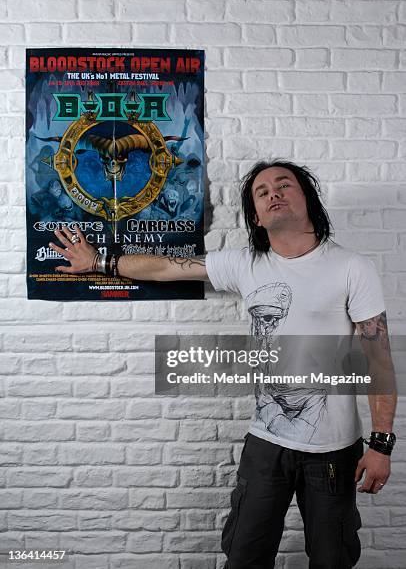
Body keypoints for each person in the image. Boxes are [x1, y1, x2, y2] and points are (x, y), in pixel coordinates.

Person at [49, 159, 397, 569]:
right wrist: (99, 263)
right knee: (245, 555)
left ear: (307, 198)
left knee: (332, 558)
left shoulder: (351, 267)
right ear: (255, 215)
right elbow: (165, 267)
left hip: (333, 451)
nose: (274, 194)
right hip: (266, 444)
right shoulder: (246, 264)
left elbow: (378, 360)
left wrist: (381, 444)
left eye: (284, 185)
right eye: (262, 192)